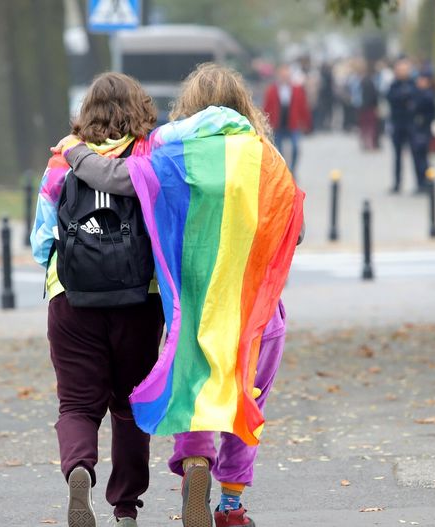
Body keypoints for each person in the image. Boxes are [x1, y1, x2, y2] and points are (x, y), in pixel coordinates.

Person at [59, 63, 303, 527]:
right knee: (245, 398)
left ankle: (195, 464)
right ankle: (231, 506)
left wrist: (75, 151)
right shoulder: (265, 157)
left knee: (193, 387)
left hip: (194, 308)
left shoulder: (173, 154)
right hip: (256, 313)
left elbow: (118, 179)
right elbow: (296, 230)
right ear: (244, 106)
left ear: (188, 106)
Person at [30, 72, 163, 527]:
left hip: (71, 299)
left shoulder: (61, 160)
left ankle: (79, 469)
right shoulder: (147, 156)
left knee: (76, 404)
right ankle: (125, 507)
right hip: (139, 299)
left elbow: (40, 240)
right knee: (131, 406)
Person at [262, 63, 311, 173]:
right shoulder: (272, 90)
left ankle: (292, 170)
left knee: (295, 148)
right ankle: (283, 171)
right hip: (278, 124)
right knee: (278, 151)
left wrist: (306, 123)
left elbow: (303, 107)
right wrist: (265, 124)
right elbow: (267, 107)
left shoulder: (297, 89)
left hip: (292, 124)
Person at [385, 59, 418, 193]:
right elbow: (391, 98)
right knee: (397, 156)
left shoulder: (413, 84)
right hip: (398, 123)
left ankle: (420, 182)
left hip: (411, 123)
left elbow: (416, 100)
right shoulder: (394, 85)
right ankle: (397, 183)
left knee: (416, 154)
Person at [412, 69, 435, 193]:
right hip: (419, 129)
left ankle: (426, 182)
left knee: (422, 159)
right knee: (419, 159)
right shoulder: (420, 93)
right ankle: (422, 183)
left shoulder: (427, 95)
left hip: (423, 130)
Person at [358, 64, 381, 151]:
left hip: (365, 107)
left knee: (366, 126)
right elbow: (374, 95)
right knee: (371, 126)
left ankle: (366, 143)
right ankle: (370, 143)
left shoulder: (364, 82)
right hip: (369, 107)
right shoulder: (370, 82)